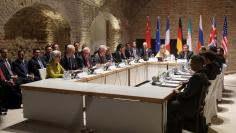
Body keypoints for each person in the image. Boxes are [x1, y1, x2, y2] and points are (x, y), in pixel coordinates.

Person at [167, 55, 210, 133]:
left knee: (169, 105)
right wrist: (188, 82)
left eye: (192, 63)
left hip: (190, 106)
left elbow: (185, 95)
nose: (190, 65)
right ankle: (177, 127)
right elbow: (194, 87)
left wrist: (177, 92)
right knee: (173, 101)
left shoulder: (196, 77)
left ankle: (171, 130)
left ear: (199, 64)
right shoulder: (203, 74)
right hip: (195, 103)